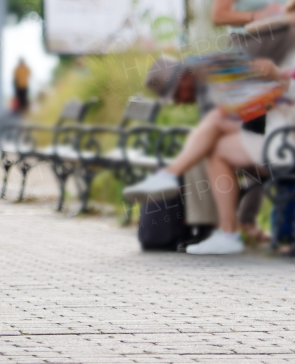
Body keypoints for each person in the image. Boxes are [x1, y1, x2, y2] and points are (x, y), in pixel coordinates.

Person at [124, 56, 293, 254]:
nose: (178, 102)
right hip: (275, 139)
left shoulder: (213, 82)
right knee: (215, 146)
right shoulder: (213, 78)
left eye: (176, 94)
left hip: (283, 143)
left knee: (214, 124)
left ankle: (169, 176)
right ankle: (226, 233)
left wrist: (281, 80)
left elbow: (273, 108)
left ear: (184, 79)